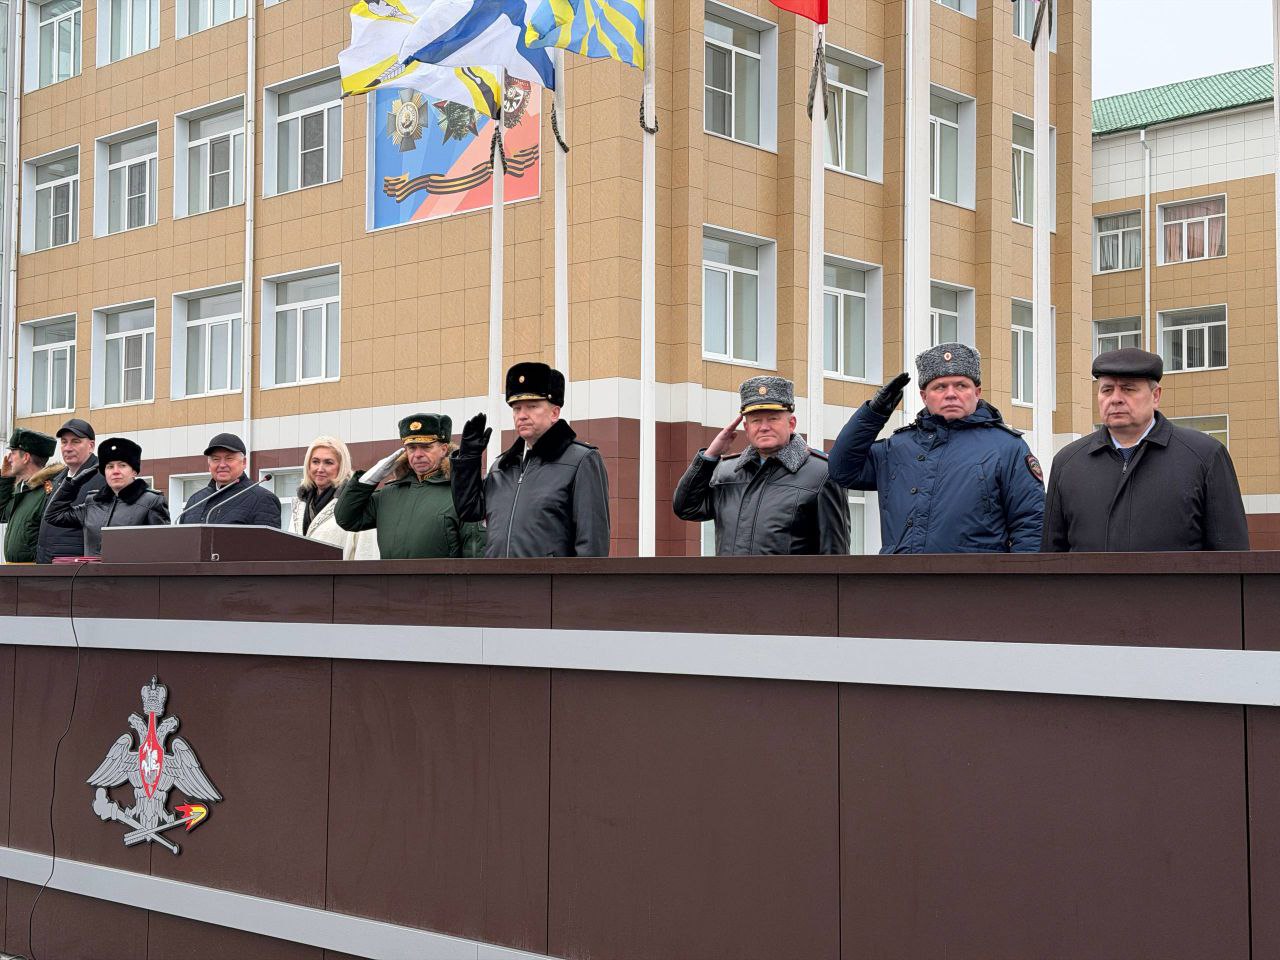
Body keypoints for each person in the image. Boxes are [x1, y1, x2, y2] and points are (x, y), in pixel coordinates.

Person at [829, 343, 1045, 553]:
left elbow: (1031, 524)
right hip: (901, 576)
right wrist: (873, 414)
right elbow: (842, 470)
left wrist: (1017, 577)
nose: (951, 394)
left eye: (961, 385)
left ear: (977, 392)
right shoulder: (898, 447)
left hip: (976, 577)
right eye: (940, 387)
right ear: (924, 396)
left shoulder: (1007, 447)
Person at [1042, 347, 1249, 551]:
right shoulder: (1068, 463)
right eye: (1107, 390)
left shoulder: (1205, 456)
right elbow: (1051, 559)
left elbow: (1232, 556)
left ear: (1155, 396)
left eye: (1128, 389)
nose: (1115, 398)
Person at [672, 376, 850, 554]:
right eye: (756, 420)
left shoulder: (822, 473)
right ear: (746, 428)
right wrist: (709, 456)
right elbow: (687, 508)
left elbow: (835, 555)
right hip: (729, 574)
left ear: (791, 424)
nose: (764, 427)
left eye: (773, 419)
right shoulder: (727, 471)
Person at [451, 362, 611, 557]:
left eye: (532, 407)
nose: (522, 416)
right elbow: (469, 511)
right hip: (497, 576)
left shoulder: (581, 460)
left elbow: (592, 544)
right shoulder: (502, 466)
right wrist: (468, 459)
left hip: (549, 577)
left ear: (554, 412)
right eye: (516, 408)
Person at [335, 415, 483, 559]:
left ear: (444, 449)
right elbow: (346, 518)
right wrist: (369, 479)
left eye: (426, 447)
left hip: (443, 577)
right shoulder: (389, 494)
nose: (417, 454)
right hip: (392, 577)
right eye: (411, 448)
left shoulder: (460, 494)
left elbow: (475, 553)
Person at [43, 437, 169, 556]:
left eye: (122, 465)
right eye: (110, 467)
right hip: (92, 572)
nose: (115, 471)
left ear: (134, 471)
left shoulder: (151, 502)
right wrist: (73, 484)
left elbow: (163, 548)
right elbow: (53, 515)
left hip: (131, 572)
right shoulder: (93, 502)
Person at [289, 435, 380, 559]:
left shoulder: (356, 502)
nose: (320, 469)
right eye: (315, 461)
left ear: (341, 466)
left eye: (328, 462)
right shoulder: (300, 503)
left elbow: (367, 554)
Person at [37, 418, 106, 563]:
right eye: (64, 442)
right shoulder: (58, 479)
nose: (67, 448)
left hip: (77, 566)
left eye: (75, 441)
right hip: (49, 563)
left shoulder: (103, 477)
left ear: (91, 446)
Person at [179, 432, 282, 526]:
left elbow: (268, 540)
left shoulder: (262, 499)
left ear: (244, 462)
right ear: (209, 465)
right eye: (216, 459)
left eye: (229, 458)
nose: (222, 465)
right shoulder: (195, 500)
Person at [0, 428, 60, 563]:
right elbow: (2, 514)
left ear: (26, 457)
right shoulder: (23, 490)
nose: (8, 459)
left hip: (34, 571)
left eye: (13, 453)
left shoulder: (48, 492)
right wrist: (5, 479)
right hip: (16, 570)